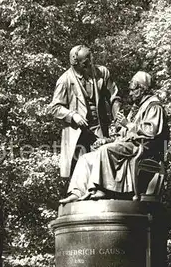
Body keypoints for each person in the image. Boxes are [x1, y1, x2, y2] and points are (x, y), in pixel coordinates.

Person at [59, 71, 169, 203]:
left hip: (143, 147)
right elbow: (122, 135)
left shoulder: (154, 107)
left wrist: (127, 124)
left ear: (142, 89)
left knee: (106, 150)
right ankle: (77, 191)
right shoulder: (137, 109)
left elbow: (151, 131)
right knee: (85, 157)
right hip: (127, 145)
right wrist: (106, 140)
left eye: (133, 90)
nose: (130, 94)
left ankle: (102, 188)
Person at [48, 45, 121, 178]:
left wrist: (119, 122)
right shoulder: (64, 80)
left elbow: (114, 96)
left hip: (98, 127)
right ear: (75, 62)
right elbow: (55, 108)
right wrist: (72, 115)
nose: (89, 66)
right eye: (85, 64)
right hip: (77, 131)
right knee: (80, 170)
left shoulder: (101, 73)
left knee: (101, 164)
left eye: (90, 62)